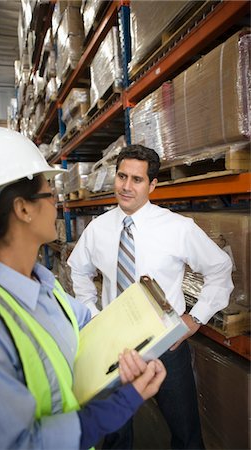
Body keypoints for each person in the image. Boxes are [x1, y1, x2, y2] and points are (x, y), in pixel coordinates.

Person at [0, 129, 167, 450]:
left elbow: (91, 339)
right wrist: (123, 403)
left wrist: (137, 355)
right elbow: (18, 444)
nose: (57, 203)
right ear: (23, 209)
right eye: (50, 192)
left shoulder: (46, 289)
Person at [68, 144, 234, 449]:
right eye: (122, 177)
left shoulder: (177, 228)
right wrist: (93, 313)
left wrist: (195, 319)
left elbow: (220, 269)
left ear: (153, 184)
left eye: (137, 179)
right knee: (115, 433)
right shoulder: (98, 229)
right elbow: (78, 270)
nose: (126, 187)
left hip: (166, 344)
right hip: (113, 345)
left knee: (185, 432)